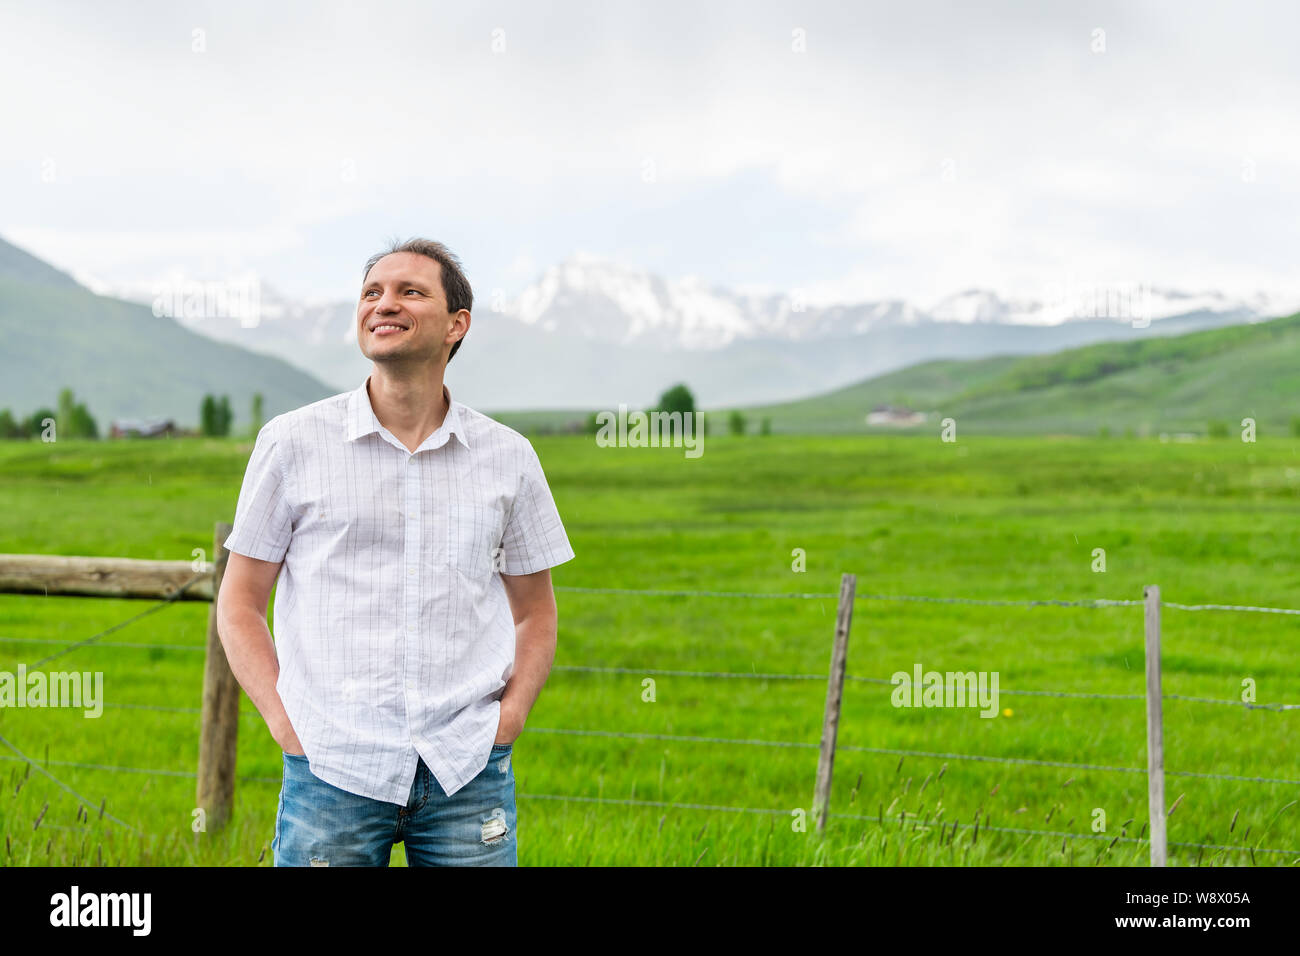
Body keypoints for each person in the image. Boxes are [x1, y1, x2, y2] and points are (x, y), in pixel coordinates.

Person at [216, 238, 574, 866]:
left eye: (411, 291)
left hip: (466, 770)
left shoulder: (509, 457)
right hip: (331, 768)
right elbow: (240, 603)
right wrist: (288, 726)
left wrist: (506, 722)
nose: (385, 303)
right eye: (372, 292)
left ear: (456, 325)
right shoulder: (292, 442)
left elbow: (535, 614)